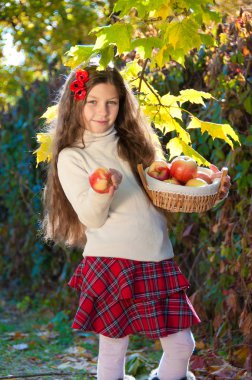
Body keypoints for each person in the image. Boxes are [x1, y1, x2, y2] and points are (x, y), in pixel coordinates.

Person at [42, 64, 231, 380]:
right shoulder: (72, 156)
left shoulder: (133, 145)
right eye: (93, 101)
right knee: (114, 349)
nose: (103, 111)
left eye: (111, 102)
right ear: (76, 103)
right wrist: (104, 188)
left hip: (157, 258)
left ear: (121, 104)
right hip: (113, 263)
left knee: (182, 346)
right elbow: (91, 216)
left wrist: (212, 191)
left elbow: (172, 190)